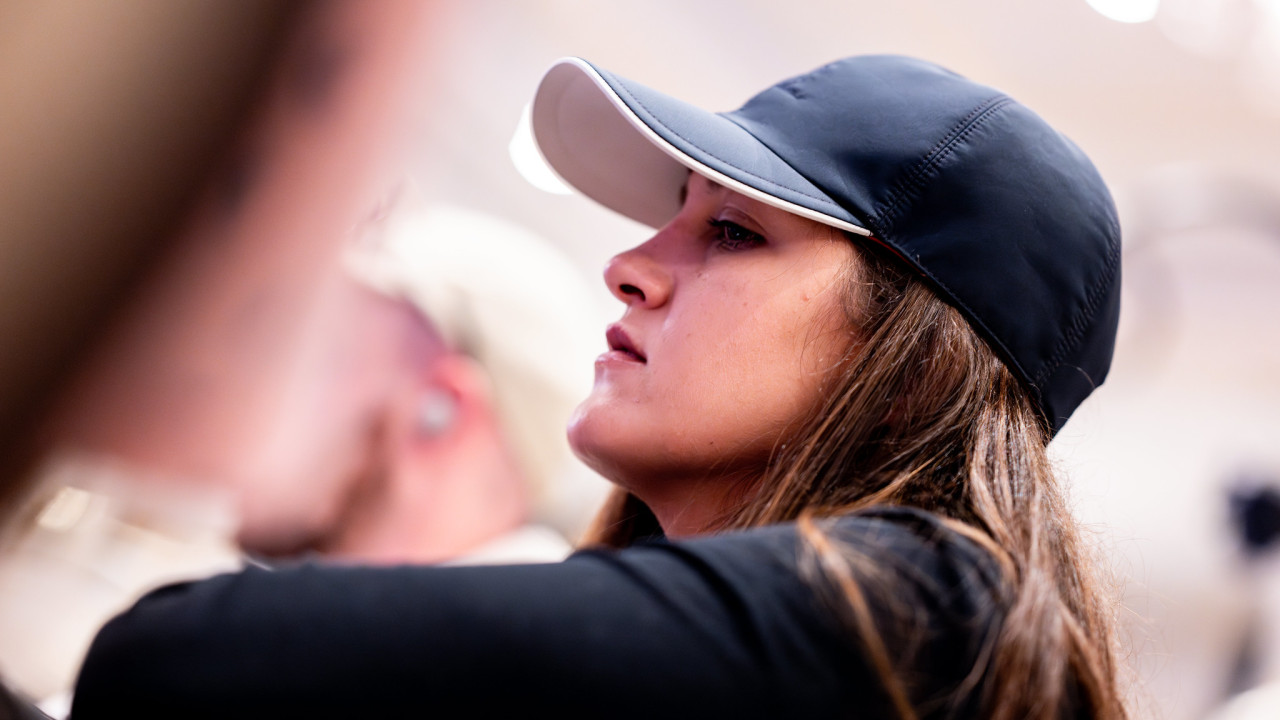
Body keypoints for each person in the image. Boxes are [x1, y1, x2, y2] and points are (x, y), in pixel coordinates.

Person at [70, 54, 1125, 719]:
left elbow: (175, 663)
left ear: (909, 374)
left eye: (728, 230)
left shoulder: (934, 608)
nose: (629, 263)